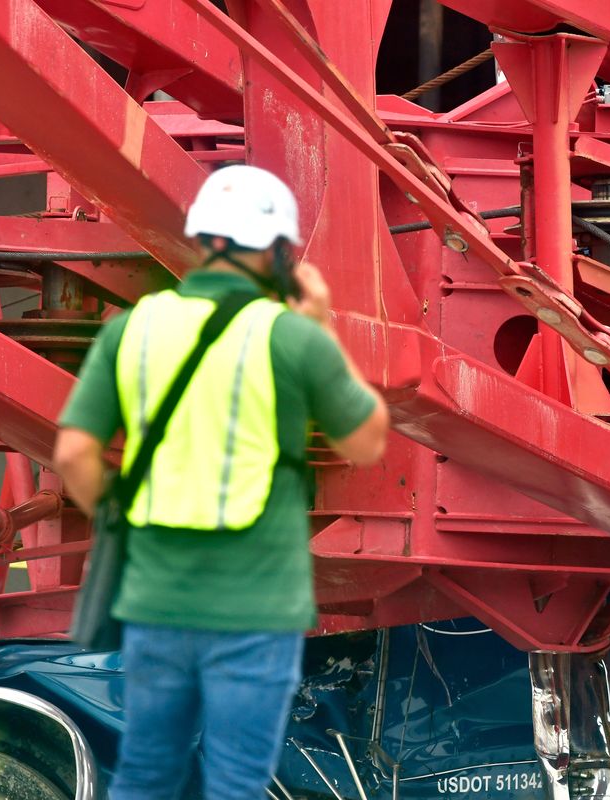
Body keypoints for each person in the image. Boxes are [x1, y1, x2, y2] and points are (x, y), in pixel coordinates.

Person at [53, 164, 390, 800]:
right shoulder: (289, 338)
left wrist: (120, 513)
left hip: (156, 599)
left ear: (203, 237)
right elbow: (367, 441)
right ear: (278, 250)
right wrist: (319, 326)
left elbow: (74, 453)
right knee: (236, 782)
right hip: (257, 606)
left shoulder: (136, 328)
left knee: (146, 775)